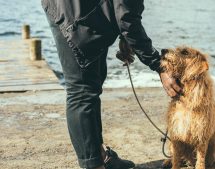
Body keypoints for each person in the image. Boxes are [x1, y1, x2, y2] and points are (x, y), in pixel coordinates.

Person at [41, 0, 182, 168]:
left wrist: (125, 37)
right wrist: (158, 66)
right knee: (81, 90)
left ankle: (100, 156)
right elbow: (127, 16)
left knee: (93, 81)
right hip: (73, 11)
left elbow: (123, 9)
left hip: (85, 9)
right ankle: (93, 165)